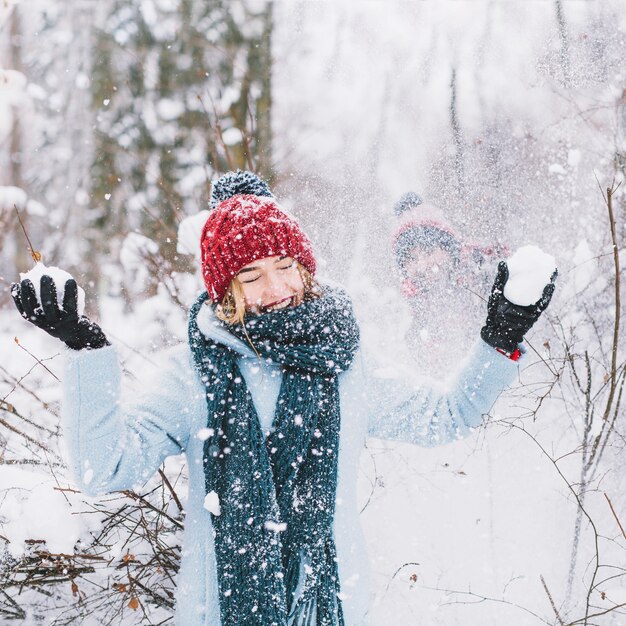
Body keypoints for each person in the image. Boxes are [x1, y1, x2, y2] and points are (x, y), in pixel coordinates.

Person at [11, 170, 555, 626]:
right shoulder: (191, 376)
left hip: (335, 608)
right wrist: (85, 349)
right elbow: (103, 467)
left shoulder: (345, 364)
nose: (275, 289)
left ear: (304, 268)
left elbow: (446, 416)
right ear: (224, 290)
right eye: (250, 276)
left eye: (284, 267)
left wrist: (499, 338)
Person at [392, 191, 506, 375]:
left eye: (428, 252)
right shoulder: (417, 299)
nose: (422, 265)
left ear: (449, 249)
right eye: (411, 259)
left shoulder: (484, 272)